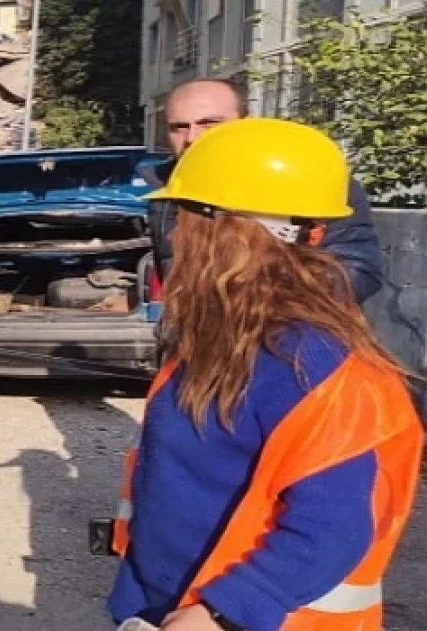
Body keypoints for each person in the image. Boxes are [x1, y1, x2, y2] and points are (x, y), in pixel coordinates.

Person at [107, 118, 423, 630]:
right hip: (168, 604)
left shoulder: (316, 366)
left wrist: (222, 612)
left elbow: (331, 528)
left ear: (229, 230)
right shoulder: (219, 335)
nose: (175, 229)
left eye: (183, 212)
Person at [142, 77, 384, 303]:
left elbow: (357, 271)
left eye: (209, 123)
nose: (192, 138)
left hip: (292, 338)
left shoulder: (306, 177)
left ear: (245, 123)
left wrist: (264, 296)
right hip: (198, 339)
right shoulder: (169, 187)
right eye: (179, 127)